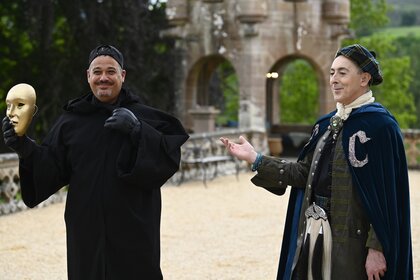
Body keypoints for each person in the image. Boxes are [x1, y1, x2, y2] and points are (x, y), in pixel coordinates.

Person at [221, 44, 413, 280]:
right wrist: (256, 159)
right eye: (332, 72)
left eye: (342, 73)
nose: (334, 79)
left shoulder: (381, 127)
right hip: (313, 232)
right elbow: (303, 173)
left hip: (354, 243)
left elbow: (388, 196)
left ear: (364, 78)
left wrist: (377, 249)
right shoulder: (325, 124)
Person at [2, 44, 189, 279]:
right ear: (88, 76)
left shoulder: (144, 116)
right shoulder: (71, 121)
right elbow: (51, 166)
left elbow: (166, 159)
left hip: (133, 226)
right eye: (97, 72)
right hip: (85, 226)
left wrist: (137, 130)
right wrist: (24, 147)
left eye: (111, 71)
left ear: (122, 76)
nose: (104, 78)